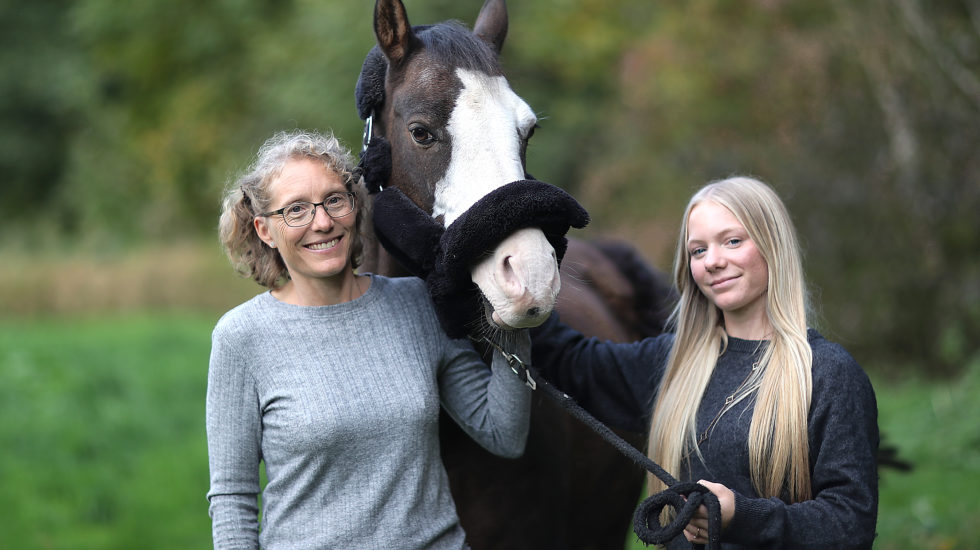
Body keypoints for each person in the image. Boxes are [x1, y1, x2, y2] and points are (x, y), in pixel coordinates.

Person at [206, 129, 532, 550]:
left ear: (354, 205)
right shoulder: (241, 338)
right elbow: (233, 499)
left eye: (334, 200)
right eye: (297, 210)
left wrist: (513, 323)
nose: (322, 222)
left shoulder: (415, 303)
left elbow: (504, 434)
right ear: (264, 230)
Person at [530, 176, 878, 549]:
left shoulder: (827, 374)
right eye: (698, 250)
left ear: (772, 245)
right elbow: (568, 360)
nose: (713, 261)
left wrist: (741, 516)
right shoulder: (671, 364)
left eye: (732, 241)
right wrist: (517, 274)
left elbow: (849, 526)